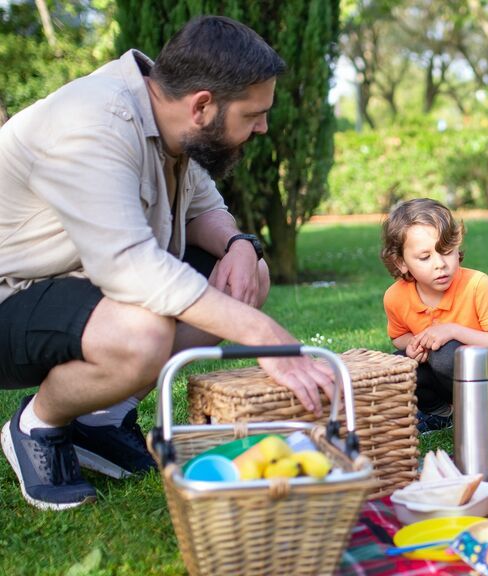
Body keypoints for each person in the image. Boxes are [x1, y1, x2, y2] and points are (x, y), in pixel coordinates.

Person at [0, 16, 335, 510]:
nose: (263, 126)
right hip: (14, 295)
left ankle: (102, 419)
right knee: (142, 332)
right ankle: (37, 426)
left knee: (247, 275)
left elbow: (205, 211)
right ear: (203, 105)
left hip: (80, 288)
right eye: (253, 114)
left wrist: (241, 245)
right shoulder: (93, 124)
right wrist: (264, 334)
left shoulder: (167, 111)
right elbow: (129, 267)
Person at [379, 199, 488, 433]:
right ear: (401, 262)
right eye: (425, 257)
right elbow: (399, 337)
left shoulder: (476, 284)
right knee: (399, 365)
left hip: (487, 373)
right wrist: (415, 344)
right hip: (440, 371)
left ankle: (473, 412)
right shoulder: (395, 296)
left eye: (446, 252)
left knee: (445, 353)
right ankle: (441, 413)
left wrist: (452, 330)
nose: (440, 264)